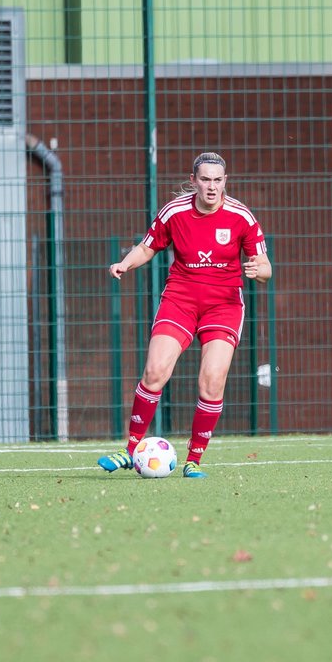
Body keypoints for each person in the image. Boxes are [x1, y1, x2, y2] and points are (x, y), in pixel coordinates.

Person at [98, 152, 272, 478]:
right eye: (205, 179)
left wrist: (257, 270)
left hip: (224, 305)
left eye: (218, 180)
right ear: (193, 181)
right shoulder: (174, 212)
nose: (211, 187)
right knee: (155, 371)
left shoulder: (241, 217)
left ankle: (194, 459)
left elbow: (265, 267)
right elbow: (148, 246)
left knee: (212, 381)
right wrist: (125, 263)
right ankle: (131, 450)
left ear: (225, 182)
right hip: (180, 300)